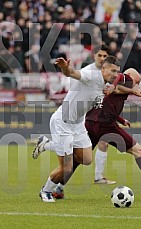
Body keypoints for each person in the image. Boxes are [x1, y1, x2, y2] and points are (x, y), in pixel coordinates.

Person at [51, 68, 141, 199]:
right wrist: (131, 89)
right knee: (138, 151)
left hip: (90, 123)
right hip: (105, 126)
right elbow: (119, 82)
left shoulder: (107, 84)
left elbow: (106, 102)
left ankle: (58, 188)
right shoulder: (126, 79)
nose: (137, 84)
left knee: (79, 158)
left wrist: (121, 119)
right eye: (137, 81)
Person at [32, 55, 121, 203]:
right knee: (67, 168)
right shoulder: (92, 76)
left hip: (78, 124)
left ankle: (47, 144)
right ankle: (46, 191)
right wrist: (64, 67)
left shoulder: (105, 86)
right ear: (103, 68)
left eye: (117, 72)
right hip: (63, 122)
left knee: (86, 159)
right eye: (112, 71)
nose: (115, 75)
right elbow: (72, 73)